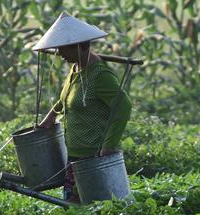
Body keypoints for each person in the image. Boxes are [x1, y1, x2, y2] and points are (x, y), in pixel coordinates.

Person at [34, 14, 132, 203]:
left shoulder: (100, 75)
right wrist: (49, 118)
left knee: (94, 211)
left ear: (81, 46)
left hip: (93, 157)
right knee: (74, 213)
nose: (59, 53)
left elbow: (123, 107)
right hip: (74, 156)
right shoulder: (76, 69)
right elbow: (64, 100)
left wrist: (109, 144)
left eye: (63, 48)